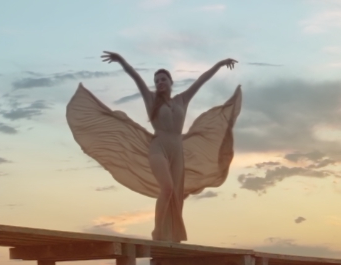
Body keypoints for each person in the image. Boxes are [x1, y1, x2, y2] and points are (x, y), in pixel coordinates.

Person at [66, 53, 242, 243]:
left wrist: (220, 63)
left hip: (177, 150)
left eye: (163, 79)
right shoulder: (151, 100)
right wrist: (122, 60)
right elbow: (136, 77)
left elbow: (201, 80)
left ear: (170, 81)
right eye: (157, 80)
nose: (159, 82)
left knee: (176, 195)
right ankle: (158, 233)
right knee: (167, 188)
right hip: (158, 148)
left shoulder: (182, 99)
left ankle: (172, 237)